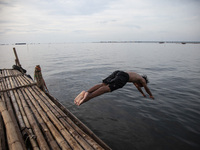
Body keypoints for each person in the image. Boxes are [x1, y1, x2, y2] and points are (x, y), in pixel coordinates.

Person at [74, 70, 154, 106]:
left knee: (103, 84)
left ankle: (86, 92)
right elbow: (147, 88)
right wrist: (150, 95)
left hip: (118, 72)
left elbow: (138, 88)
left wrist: (142, 93)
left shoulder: (136, 77)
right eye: (142, 85)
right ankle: (89, 95)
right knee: (108, 88)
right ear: (143, 83)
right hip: (123, 77)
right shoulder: (142, 80)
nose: (140, 86)